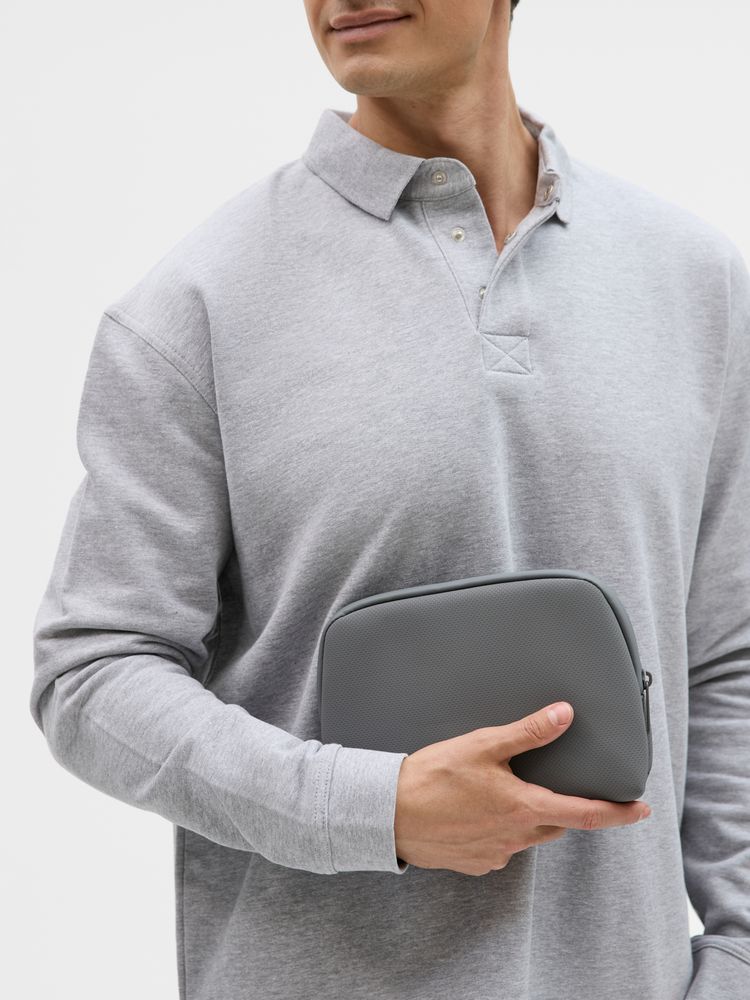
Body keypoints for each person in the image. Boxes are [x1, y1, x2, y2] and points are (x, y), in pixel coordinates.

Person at [30, 1, 750, 998]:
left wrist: (738, 956)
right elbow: (92, 673)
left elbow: (726, 654)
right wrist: (372, 808)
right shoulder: (194, 304)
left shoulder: (696, 282)